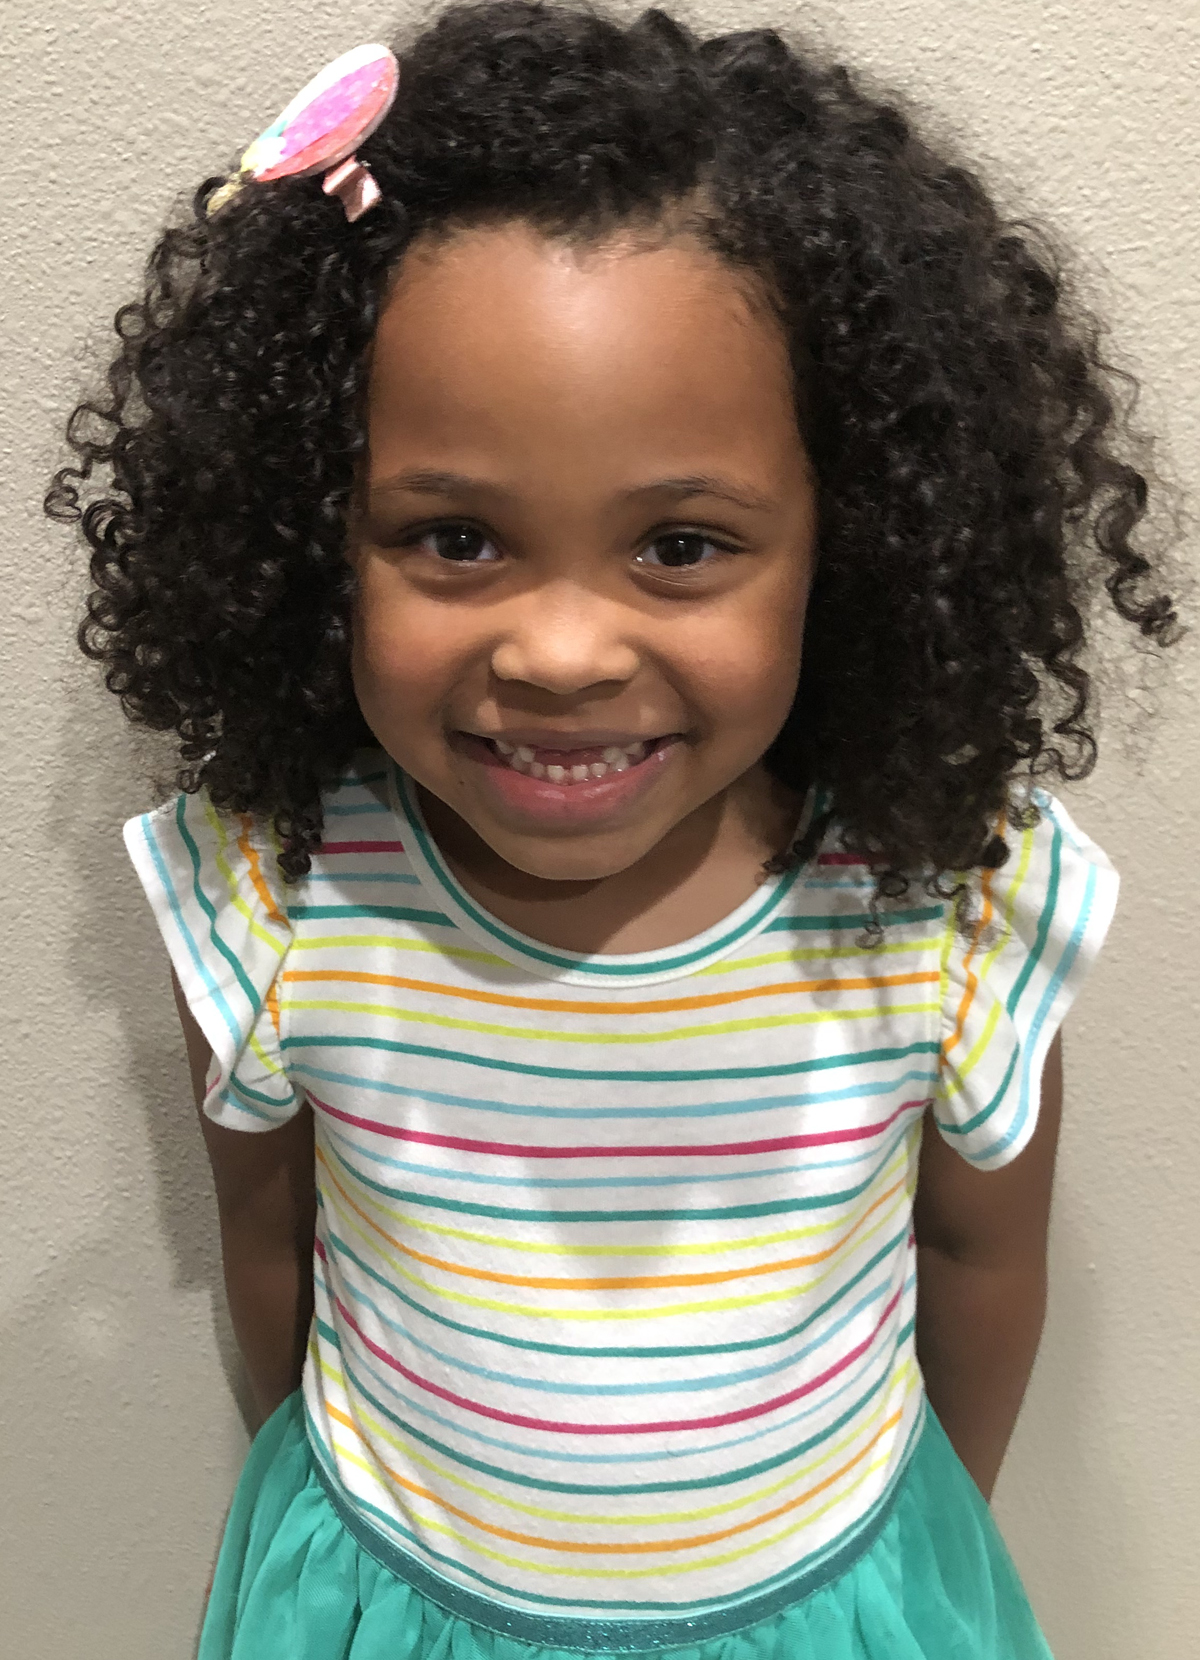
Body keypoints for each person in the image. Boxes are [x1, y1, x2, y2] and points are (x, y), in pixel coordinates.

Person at [45, 3, 1178, 1655]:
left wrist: (912, 1555)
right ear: (316, 537)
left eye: (681, 547)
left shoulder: (945, 901)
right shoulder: (274, 893)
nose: (562, 653)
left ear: (850, 544)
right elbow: (270, 1237)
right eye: (455, 538)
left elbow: (978, 1258)